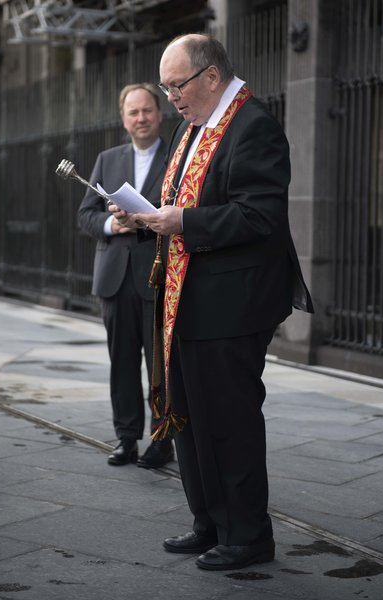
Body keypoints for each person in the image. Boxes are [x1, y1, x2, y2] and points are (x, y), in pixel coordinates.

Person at [112, 34, 314, 571]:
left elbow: (259, 217)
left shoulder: (253, 126)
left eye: (175, 85)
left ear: (211, 77)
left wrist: (183, 222)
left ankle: (247, 535)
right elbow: (183, 197)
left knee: (229, 420)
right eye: (165, 86)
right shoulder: (194, 127)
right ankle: (209, 521)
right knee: (191, 418)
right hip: (188, 298)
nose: (170, 97)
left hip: (233, 304)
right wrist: (152, 214)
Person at [78, 83, 174, 469]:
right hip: (115, 277)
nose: (141, 118)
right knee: (121, 362)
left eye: (147, 110)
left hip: (156, 275)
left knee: (159, 366)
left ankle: (161, 438)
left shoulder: (175, 156)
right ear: (124, 118)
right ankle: (126, 438)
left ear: (159, 112)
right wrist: (112, 226)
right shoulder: (107, 158)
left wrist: (144, 221)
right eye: (133, 112)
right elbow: (86, 215)